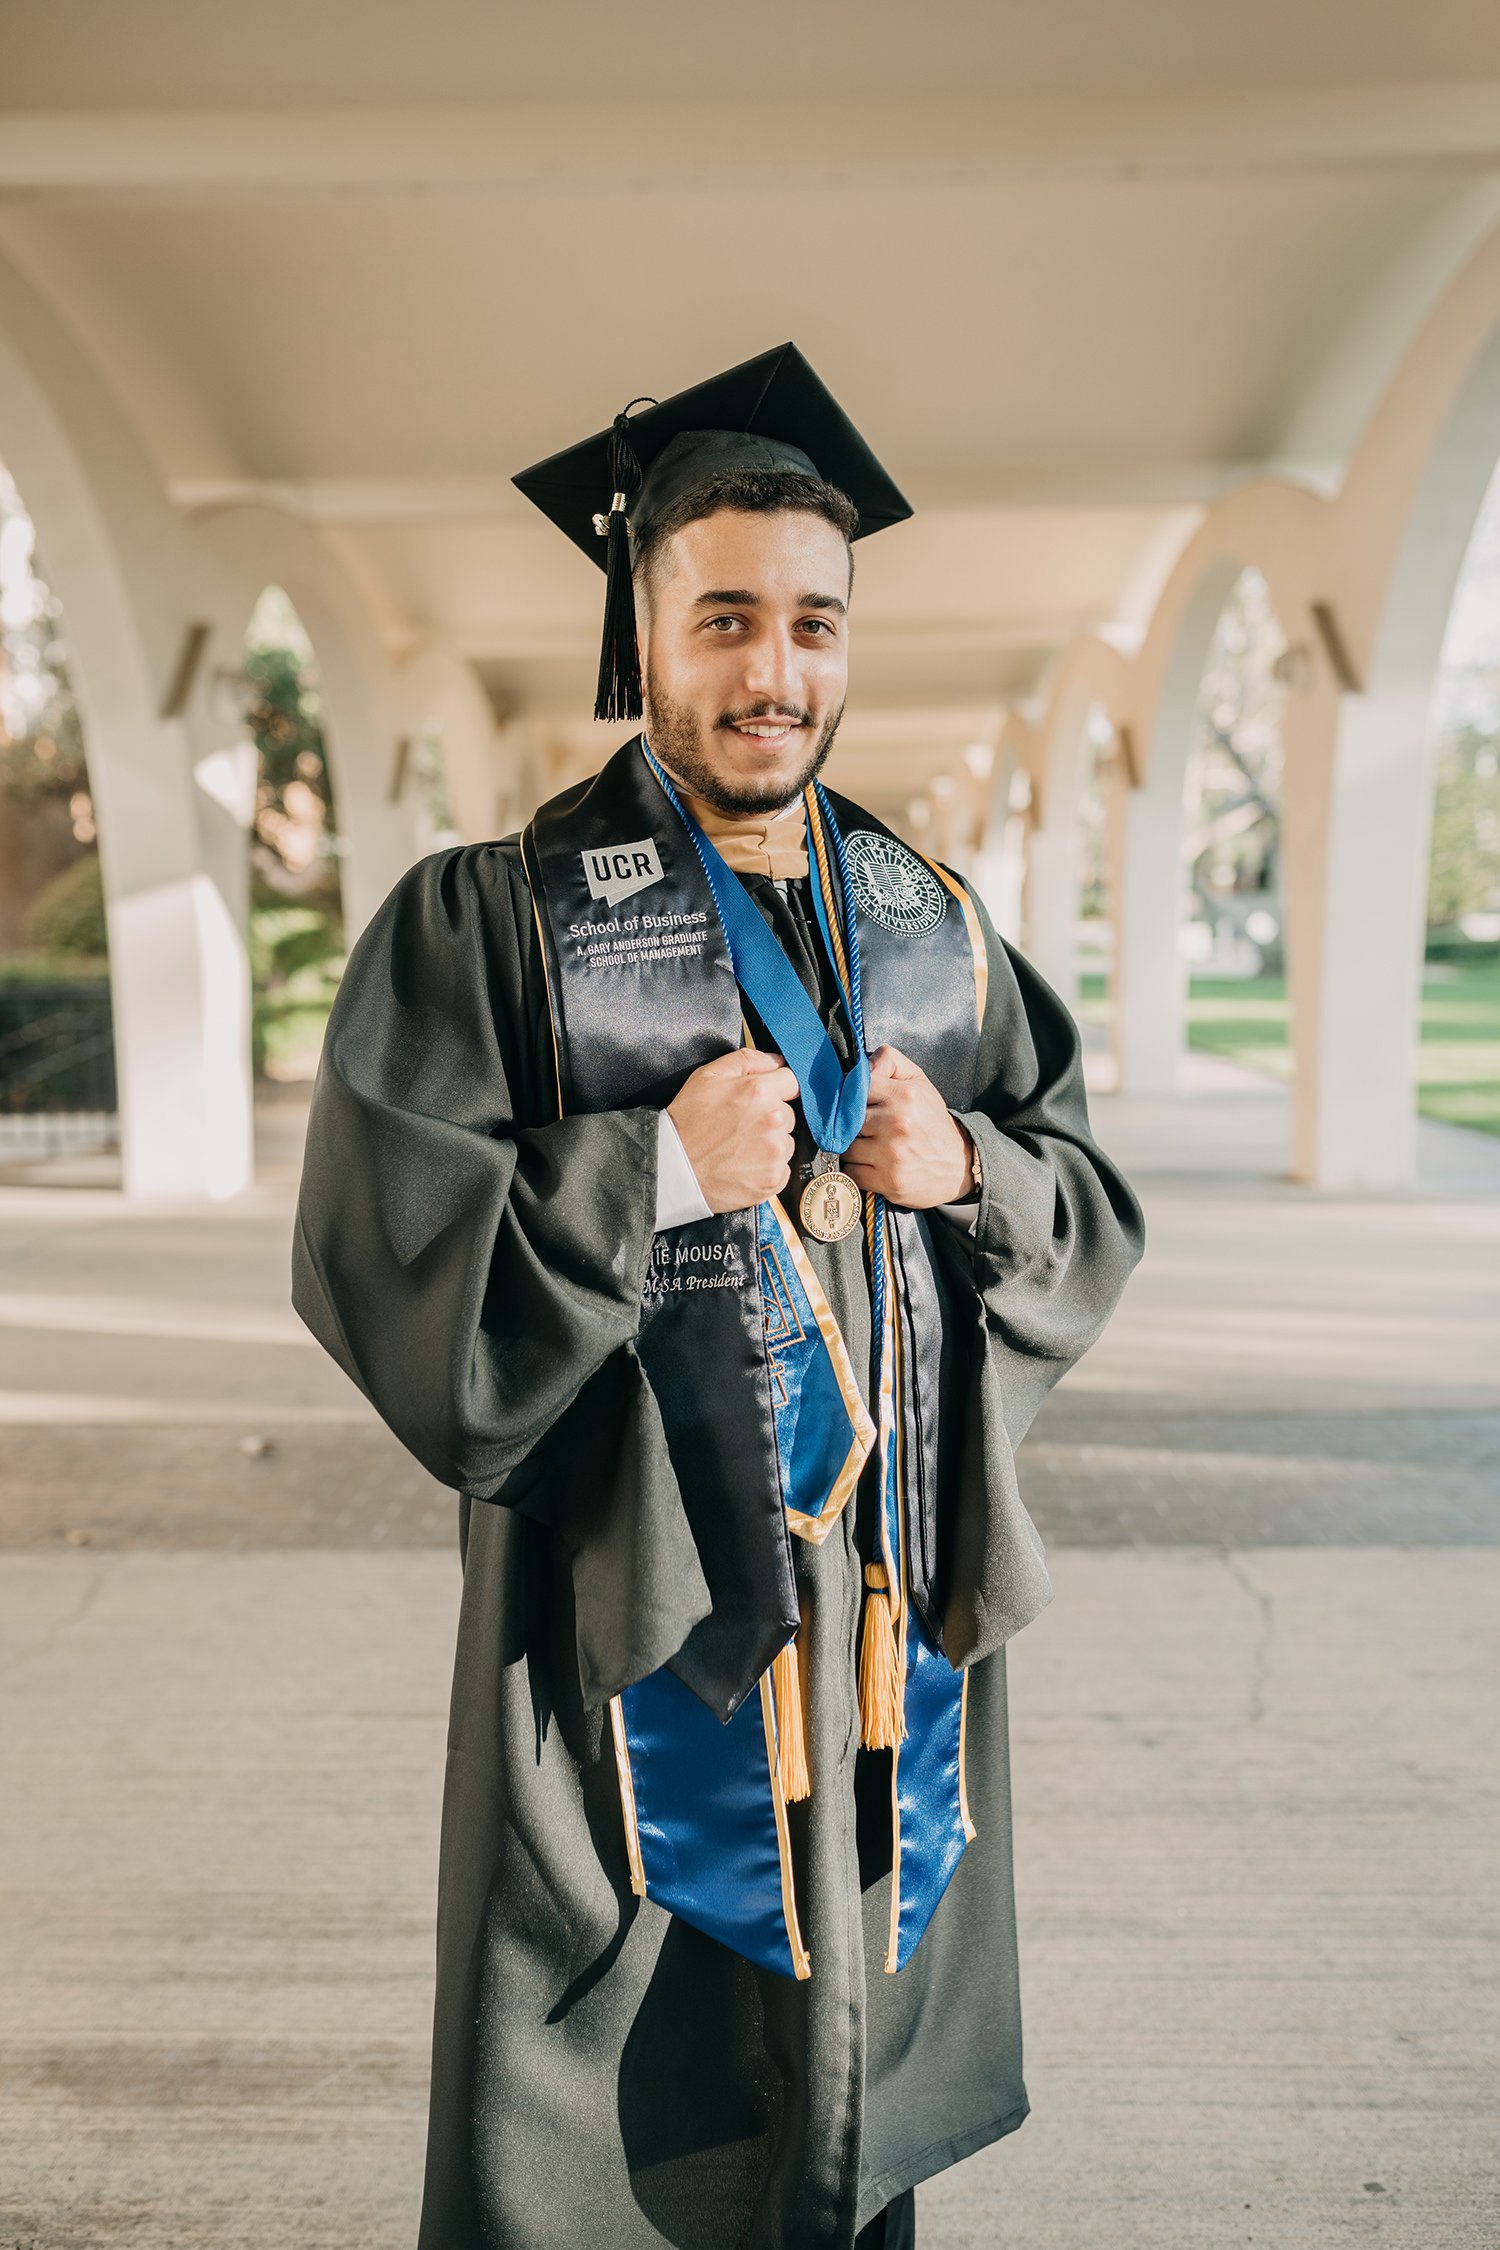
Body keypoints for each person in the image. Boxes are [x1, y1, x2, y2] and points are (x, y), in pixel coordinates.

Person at [292, 342, 1146, 2250]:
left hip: (879, 1626)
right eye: (730, 616)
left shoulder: (927, 920)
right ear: (644, 625)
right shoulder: (497, 918)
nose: (778, 672)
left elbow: (1083, 1197)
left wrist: (968, 1175)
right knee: (614, 2128)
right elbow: (376, 1244)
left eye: (817, 623)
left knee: (844, 2116)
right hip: (625, 1617)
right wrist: (655, 1168)